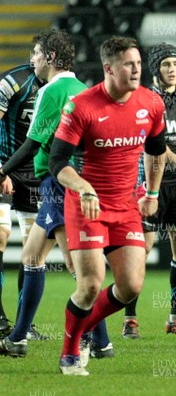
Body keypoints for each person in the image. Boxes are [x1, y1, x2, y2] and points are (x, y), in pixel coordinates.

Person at [49, 36, 166, 375]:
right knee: (89, 284)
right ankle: (69, 353)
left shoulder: (151, 103)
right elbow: (59, 162)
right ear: (108, 68)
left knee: (130, 286)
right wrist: (83, 187)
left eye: (139, 64)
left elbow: (156, 152)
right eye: (129, 65)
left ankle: (83, 330)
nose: (136, 70)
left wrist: (152, 194)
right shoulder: (82, 106)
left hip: (126, 205)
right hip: (87, 206)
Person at [0, 30, 115, 358]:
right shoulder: (87, 90)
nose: (32, 59)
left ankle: (100, 341)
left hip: (56, 185)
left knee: (77, 267)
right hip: (74, 183)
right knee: (34, 257)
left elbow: (33, 143)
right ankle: (19, 338)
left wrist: (2, 171)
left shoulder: (51, 90)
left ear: (50, 58)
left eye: (36, 53)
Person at [121, 43, 176, 340]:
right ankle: (130, 319)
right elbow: (152, 146)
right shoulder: (141, 102)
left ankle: (175, 318)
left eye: (175, 63)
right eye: (166, 64)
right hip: (146, 187)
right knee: (140, 253)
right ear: (155, 69)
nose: (172, 69)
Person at [0, 62, 44, 338]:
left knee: (34, 249)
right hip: (3, 166)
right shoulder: (13, 81)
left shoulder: (56, 87)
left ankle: (23, 325)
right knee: (1, 235)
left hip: (35, 172)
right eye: (36, 54)